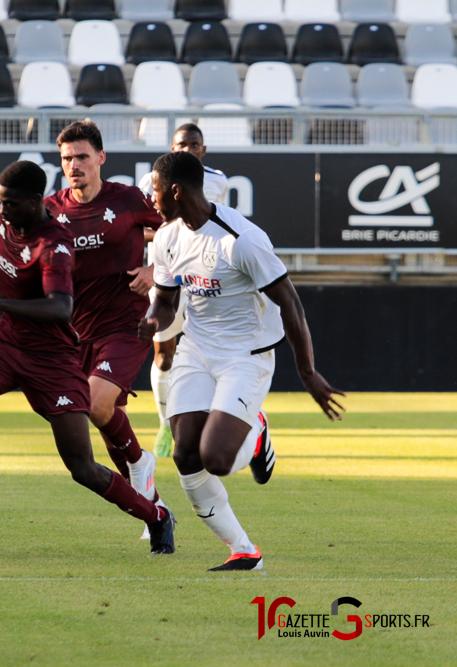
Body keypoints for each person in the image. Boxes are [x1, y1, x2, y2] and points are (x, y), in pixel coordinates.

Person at [0, 160, 176, 557]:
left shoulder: (54, 246)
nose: (2, 212)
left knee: (82, 468)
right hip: (9, 345)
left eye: (9, 204)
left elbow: (61, 308)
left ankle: (155, 516)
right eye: (0, 203)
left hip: (54, 361)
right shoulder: (9, 218)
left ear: (33, 202)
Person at [140, 152, 345, 571]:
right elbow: (165, 298)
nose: (152, 200)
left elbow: (291, 305)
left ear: (176, 191)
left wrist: (308, 373)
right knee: (184, 455)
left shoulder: (242, 239)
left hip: (245, 356)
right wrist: (152, 320)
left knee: (215, 457)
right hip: (195, 350)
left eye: (156, 192)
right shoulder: (166, 237)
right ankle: (244, 550)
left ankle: (257, 432)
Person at [45, 120, 170, 527]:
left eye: (82, 157)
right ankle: (149, 501)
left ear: (101, 158)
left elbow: (176, 229)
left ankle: (138, 462)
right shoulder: (52, 209)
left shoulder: (128, 199)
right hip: (75, 331)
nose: (74, 165)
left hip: (126, 322)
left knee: (98, 405)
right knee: (104, 415)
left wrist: (156, 269)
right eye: (67, 159)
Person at [138, 124, 230, 458]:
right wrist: (158, 250)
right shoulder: (151, 179)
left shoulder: (217, 180)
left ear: (203, 150)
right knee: (164, 354)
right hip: (166, 277)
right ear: (172, 147)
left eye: (195, 144)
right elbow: (144, 227)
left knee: (210, 354)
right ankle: (165, 423)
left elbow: (218, 224)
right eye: (182, 144)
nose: (188, 149)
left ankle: (209, 419)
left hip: (204, 279)